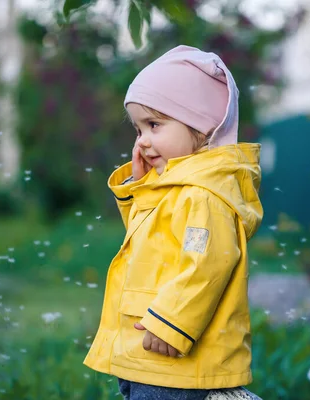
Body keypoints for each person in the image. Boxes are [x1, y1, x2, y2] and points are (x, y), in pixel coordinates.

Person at [83, 45, 263, 400]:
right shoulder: (176, 188)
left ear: (200, 127)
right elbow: (151, 241)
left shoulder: (204, 194)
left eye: (154, 124)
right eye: (138, 129)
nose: (143, 140)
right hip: (149, 356)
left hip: (175, 362)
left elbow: (207, 263)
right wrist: (141, 187)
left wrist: (172, 323)